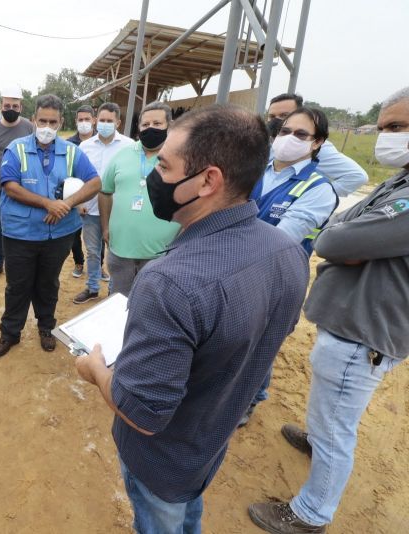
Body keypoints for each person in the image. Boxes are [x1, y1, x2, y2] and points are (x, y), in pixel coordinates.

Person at [75, 105, 309, 534]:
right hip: (210, 442)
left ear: (208, 180)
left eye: (164, 165)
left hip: (162, 461)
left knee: (161, 520)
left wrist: (95, 370)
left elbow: (142, 413)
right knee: (188, 515)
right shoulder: (287, 252)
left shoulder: (170, 283)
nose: (154, 176)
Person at [249, 87, 409, 534]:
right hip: (349, 318)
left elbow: (330, 239)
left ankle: (310, 514)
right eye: (383, 128)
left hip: (366, 330)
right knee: (330, 410)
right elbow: (342, 226)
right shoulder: (400, 180)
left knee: (338, 424)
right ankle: (317, 439)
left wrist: (344, 239)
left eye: (397, 128)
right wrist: (347, 238)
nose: (387, 138)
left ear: (318, 142)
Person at [240, 107, 339, 426]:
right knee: (237, 337)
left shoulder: (318, 188)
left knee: (260, 345)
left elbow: (281, 238)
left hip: (275, 280)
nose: (288, 139)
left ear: (317, 142)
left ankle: (251, 398)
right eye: (284, 132)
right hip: (236, 271)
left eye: (301, 134)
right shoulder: (255, 169)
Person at [0, 94, 100, 357]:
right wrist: (47, 204)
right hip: (20, 234)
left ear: (61, 122)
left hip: (58, 234)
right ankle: (10, 333)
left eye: (53, 121)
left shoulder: (72, 151)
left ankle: (46, 328)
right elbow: (10, 185)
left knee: (48, 283)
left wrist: (67, 203)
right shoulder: (16, 149)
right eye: (43, 121)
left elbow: (95, 182)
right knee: (18, 285)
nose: (47, 127)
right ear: (33, 120)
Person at [98, 102, 180, 297]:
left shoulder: (181, 158)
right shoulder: (122, 155)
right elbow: (105, 191)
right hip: (120, 252)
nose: (150, 128)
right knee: (118, 305)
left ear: (171, 125)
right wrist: (105, 227)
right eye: (145, 124)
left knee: (152, 307)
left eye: (157, 124)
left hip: (161, 255)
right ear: (139, 127)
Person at [72, 102, 133, 303]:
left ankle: (114, 292)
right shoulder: (85, 146)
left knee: (117, 254)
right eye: (102, 120)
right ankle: (92, 288)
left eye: (110, 121)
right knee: (92, 251)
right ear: (96, 121)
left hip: (118, 211)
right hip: (89, 209)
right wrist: (79, 201)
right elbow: (77, 175)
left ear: (118, 122)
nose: (105, 124)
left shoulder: (129, 146)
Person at [0, 84, 34, 281]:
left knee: (22, 224)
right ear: (1, 105)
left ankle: (18, 263)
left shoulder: (29, 127)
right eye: (7, 105)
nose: (11, 109)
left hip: (24, 188)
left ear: (21, 107)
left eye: (15, 106)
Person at [266, 93, 367, 196]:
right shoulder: (266, 142)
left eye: (284, 115)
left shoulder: (313, 147)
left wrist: (319, 195)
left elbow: (357, 176)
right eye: (272, 116)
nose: (276, 120)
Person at [65, 105, 96, 278]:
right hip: (75, 200)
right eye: (80, 119)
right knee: (74, 235)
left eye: (87, 119)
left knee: (97, 236)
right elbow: (66, 176)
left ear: (94, 120)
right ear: (76, 121)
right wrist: (78, 203)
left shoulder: (101, 142)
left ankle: (98, 266)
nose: (84, 123)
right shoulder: (69, 144)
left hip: (97, 199)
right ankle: (79, 262)